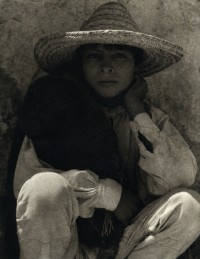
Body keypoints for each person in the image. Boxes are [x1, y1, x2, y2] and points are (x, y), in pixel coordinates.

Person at [8, 1, 200, 259]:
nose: (106, 66)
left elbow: (182, 176)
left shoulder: (147, 118)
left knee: (190, 206)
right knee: (44, 187)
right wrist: (108, 195)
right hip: (68, 247)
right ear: (81, 65)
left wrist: (135, 108)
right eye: (94, 56)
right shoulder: (55, 111)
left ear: (136, 67)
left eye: (119, 55)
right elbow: (26, 186)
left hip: (128, 247)